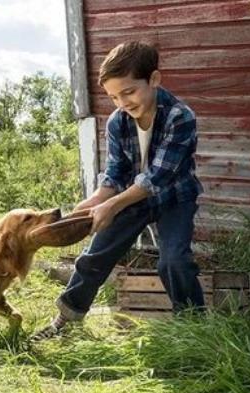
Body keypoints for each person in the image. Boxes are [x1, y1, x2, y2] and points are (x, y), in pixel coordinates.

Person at [31, 41, 205, 341]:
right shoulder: (116, 122)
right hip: (133, 198)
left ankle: (192, 328)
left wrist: (111, 207)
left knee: (174, 260)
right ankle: (67, 320)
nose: (122, 102)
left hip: (175, 197)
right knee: (93, 256)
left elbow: (156, 178)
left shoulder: (180, 117)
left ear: (154, 79)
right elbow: (114, 177)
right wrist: (86, 209)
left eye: (128, 92)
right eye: (113, 96)